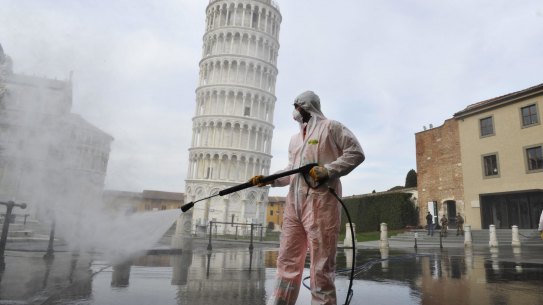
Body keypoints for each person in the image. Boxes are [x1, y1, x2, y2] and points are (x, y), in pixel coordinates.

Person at [250, 90, 365, 305]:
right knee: (287, 260)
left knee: (321, 265)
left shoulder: (331, 127)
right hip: (294, 206)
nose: (295, 112)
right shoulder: (295, 140)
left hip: (321, 204)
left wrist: (329, 170)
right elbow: (292, 170)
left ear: (307, 107)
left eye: (297, 107)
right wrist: (270, 180)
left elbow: (356, 153)